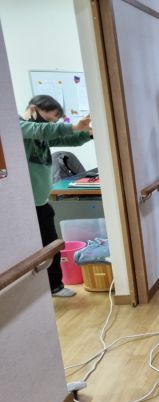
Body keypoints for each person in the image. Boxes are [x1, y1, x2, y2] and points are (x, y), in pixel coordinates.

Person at [19, 95, 93, 298]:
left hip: (42, 202)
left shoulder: (41, 135)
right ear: (32, 109)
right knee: (35, 250)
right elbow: (41, 130)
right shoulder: (19, 127)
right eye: (48, 119)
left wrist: (88, 133)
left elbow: (66, 139)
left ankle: (54, 287)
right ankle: (43, 291)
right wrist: (73, 126)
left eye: (54, 121)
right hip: (26, 206)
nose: (50, 125)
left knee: (52, 246)